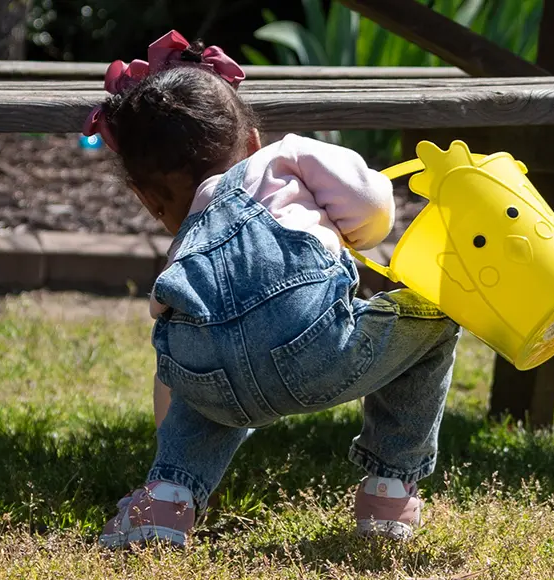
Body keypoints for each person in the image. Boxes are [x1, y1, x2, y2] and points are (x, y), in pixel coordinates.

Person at [86, 31, 460, 549]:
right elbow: (375, 209)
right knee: (434, 320)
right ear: (253, 141)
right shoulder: (286, 157)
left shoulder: (190, 237)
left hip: (210, 380)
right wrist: (353, 233)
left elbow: (167, 337)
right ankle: (389, 492)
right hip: (314, 353)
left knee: (194, 379)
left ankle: (167, 501)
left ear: (147, 199)